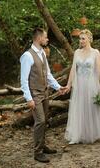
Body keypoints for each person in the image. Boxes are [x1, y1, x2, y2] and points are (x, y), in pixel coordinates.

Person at [20, 28, 65, 163]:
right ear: (39, 38)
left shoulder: (43, 54)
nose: (47, 39)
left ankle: (42, 145)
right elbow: (23, 80)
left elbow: (48, 74)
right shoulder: (27, 56)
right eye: (46, 37)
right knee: (40, 121)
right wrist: (29, 98)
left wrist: (58, 87)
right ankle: (37, 152)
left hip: (45, 92)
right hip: (35, 95)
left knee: (44, 119)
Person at [64, 29, 100, 144]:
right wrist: (69, 84)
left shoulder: (95, 52)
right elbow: (73, 69)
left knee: (91, 107)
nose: (81, 41)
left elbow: (98, 71)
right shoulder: (77, 52)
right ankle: (80, 134)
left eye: (83, 38)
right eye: (80, 39)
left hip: (91, 84)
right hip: (80, 85)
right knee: (80, 108)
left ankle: (94, 133)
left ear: (89, 39)